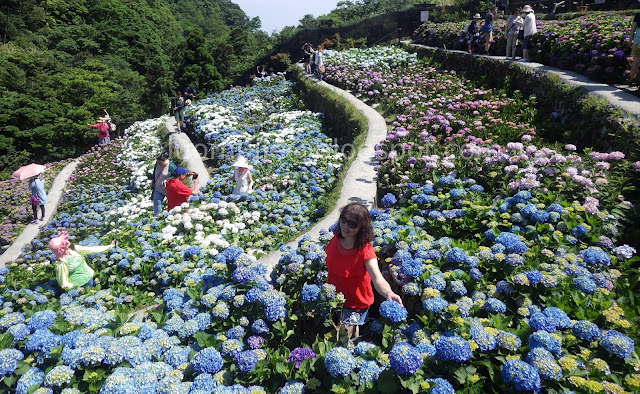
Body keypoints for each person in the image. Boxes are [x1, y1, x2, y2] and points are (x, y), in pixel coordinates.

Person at [325, 203, 403, 340]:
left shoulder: (365, 251)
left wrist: (388, 293)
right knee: (351, 337)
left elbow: (377, 278)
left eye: (352, 224)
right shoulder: (336, 238)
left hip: (355, 304)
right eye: (343, 220)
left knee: (341, 338)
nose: (345, 226)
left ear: (362, 228)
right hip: (334, 300)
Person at [48, 231, 117, 290]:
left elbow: (91, 250)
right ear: (63, 246)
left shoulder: (73, 249)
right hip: (79, 287)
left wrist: (110, 246)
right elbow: (62, 282)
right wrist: (76, 289)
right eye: (65, 241)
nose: (68, 241)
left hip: (89, 279)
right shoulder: (60, 263)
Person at [628, 9, 640, 83]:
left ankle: (631, 81)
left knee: (636, 61)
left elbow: (632, 29)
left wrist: (630, 40)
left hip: (638, 38)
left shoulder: (638, 14)